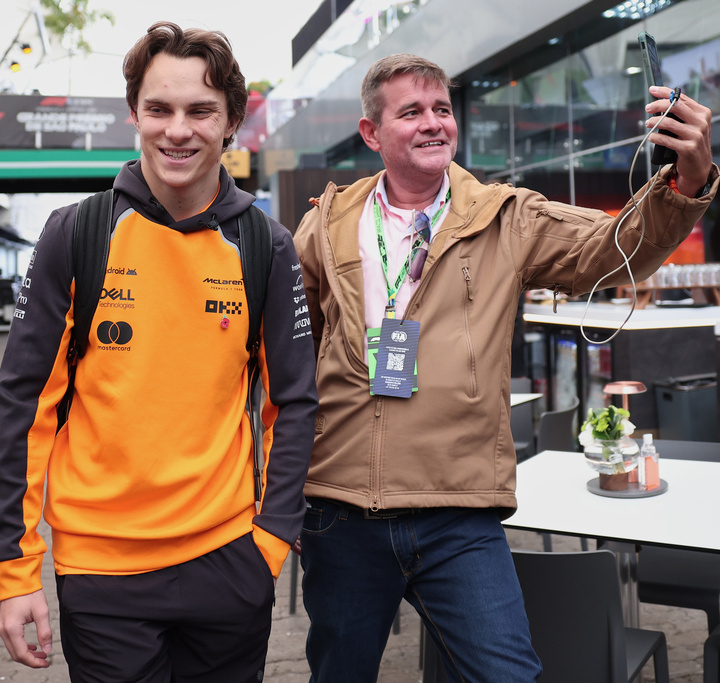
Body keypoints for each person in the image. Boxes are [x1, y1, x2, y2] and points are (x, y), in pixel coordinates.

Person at [292, 53, 718, 682]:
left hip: (459, 512)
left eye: (442, 109)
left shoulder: (505, 216)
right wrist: (278, 493)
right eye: (411, 112)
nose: (434, 123)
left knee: (509, 675)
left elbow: (614, 247)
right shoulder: (324, 226)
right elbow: (294, 366)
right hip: (342, 509)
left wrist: (687, 181)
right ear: (371, 133)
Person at [0, 21, 318, 682]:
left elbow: (296, 403)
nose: (177, 129)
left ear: (231, 121)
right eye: (159, 108)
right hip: (102, 572)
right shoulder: (76, 233)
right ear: (134, 112)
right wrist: (16, 570)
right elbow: (25, 408)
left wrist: (273, 539)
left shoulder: (267, 245)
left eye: (200, 110)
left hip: (231, 561)